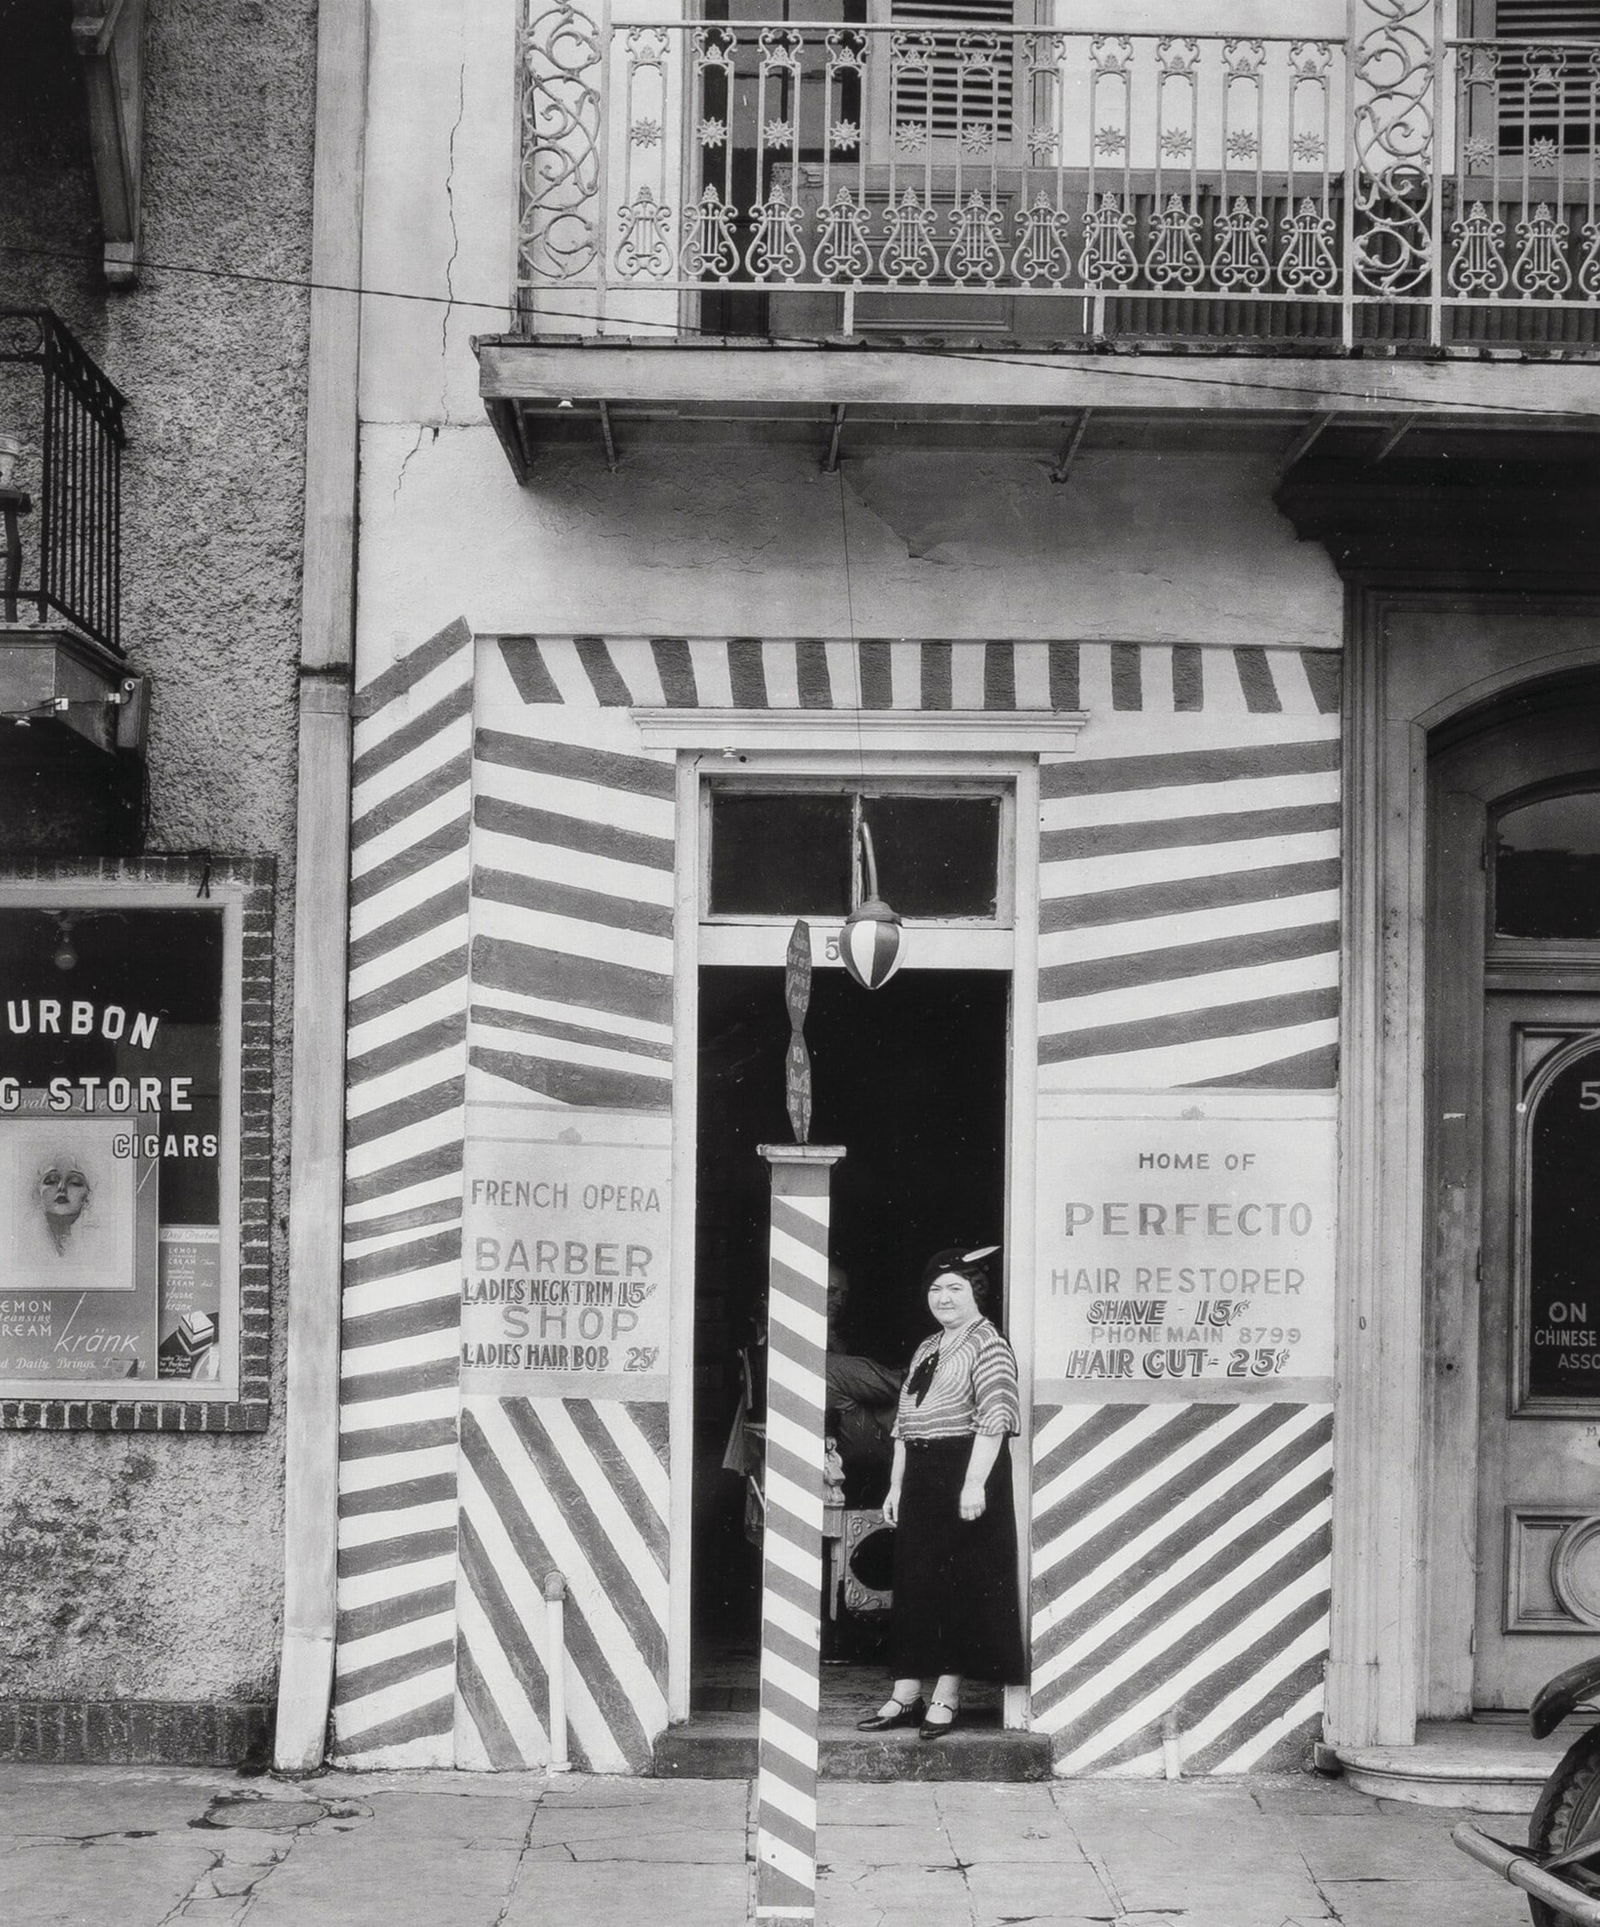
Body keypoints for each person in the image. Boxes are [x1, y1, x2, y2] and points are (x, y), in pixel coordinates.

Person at [857, 1244, 1026, 1740]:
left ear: (977, 1291)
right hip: (922, 1475)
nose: (944, 1297)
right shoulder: (928, 1347)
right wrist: (895, 1485)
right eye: (935, 1288)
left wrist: (974, 1484)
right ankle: (904, 1694)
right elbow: (905, 1424)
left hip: (965, 1470)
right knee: (914, 1583)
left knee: (957, 1586)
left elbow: (995, 1419)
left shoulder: (989, 1344)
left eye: (955, 1287)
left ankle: (945, 1697)